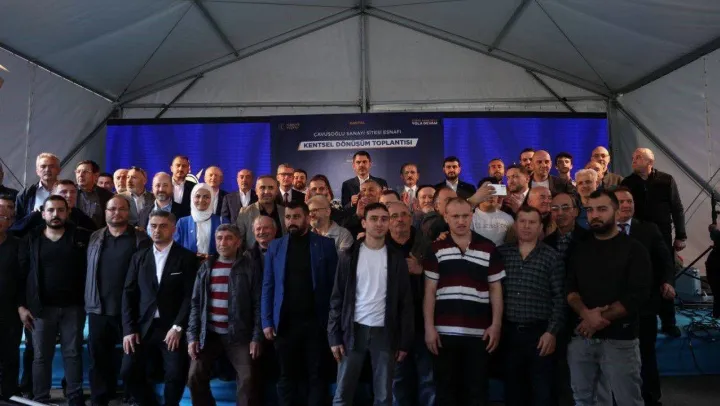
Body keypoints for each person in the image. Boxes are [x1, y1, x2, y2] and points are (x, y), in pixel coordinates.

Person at [565, 190, 652, 406]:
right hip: (582, 338)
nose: (594, 215)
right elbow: (570, 291)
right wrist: (586, 315)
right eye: (590, 210)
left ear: (616, 211)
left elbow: (637, 295)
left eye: (602, 209)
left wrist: (599, 318)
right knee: (583, 399)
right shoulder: (579, 249)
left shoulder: (635, 250)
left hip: (620, 339)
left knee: (627, 400)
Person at [329, 202, 414, 406]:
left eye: (384, 219)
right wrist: (333, 336)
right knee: (342, 394)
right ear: (364, 223)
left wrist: (404, 341)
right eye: (374, 219)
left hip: (384, 332)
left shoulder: (396, 258)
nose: (379, 223)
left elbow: (405, 302)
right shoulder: (348, 255)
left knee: (384, 397)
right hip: (353, 330)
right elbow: (337, 298)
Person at [423, 197, 505, 406]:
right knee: (445, 393)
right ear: (446, 217)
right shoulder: (436, 248)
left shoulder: (488, 248)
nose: (461, 221)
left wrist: (496, 325)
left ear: (472, 216)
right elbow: (430, 291)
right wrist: (429, 328)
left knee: (477, 394)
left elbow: (496, 289)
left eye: (465, 216)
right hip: (443, 334)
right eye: (455, 216)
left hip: (479, 334)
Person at [261, 201, 338, 406]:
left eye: (296, 217)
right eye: (288, 217)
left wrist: (332, 323)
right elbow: (268, 285)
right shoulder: (275, 246)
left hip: (316, 323)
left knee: (316, 375)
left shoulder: (325, 245)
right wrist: (266, 321)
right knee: (286, 375)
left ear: (307, 218)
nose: (291, 221)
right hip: (284, 323)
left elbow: (334, 288)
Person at [17, 195, 90, 406]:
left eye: (60, 210)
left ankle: (75, 397)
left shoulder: (81, 238)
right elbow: (20, 275)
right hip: (40, 309)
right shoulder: (30, 239)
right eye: (51, 210)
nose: (55, 214)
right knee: (41, 357)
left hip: (74, 307)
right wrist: (21, 306)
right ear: (43, 213)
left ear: (68, 212)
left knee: (73, 353)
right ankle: (40, 398)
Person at [121, 210, 197, 406]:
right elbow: (128, 294)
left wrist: (178, 327)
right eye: (153, 226)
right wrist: (129, 329)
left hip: (172, 328)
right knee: (128, 372)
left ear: (173, 229)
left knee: (175, 374)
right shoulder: (139, 257)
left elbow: (190, 297)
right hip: (142, 327)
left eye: (163, 226)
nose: (157, 230)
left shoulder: (187, 258)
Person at [85, 195, 150, 406]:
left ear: (128, 212)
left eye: (121, 209)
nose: (116, 213)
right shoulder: (95, 237)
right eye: (112, 209)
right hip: (99, 308)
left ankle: (132, 397)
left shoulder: (141, 239)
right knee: (98, 359)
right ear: (105, 212)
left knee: (132, 359)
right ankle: (100, 399)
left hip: (130, 310)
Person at [187, 224, 263, 406]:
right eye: (219, 238)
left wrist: (256, 338)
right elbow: (196, 304)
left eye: (228, 238)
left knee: (248, 379)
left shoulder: (250, 268)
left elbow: (258, 305)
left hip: (239, 336)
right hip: (209, 334)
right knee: (194, 376)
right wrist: (192, 337)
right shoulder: (206, 267)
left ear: (238, 242)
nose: (223, 242)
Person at [497, 206, 565, 406]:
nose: (526, 226)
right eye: (522, 221)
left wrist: (551, 332)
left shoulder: (551, 257)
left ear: (540, 227)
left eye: (532, 222)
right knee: (513, 392)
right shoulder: (501, 254)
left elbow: (560, 298)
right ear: (515, 225)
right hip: (509, 334)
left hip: (540, 334)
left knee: (541, 392)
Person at [614, 186, 676, 406]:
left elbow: (665, 260)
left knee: (646, 354)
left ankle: (650, 397)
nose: (626, 205)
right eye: (621, 201)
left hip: (645, 305)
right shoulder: (602, 231)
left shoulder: (648, 229)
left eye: (629, 201)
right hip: (613, 307)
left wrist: (667, 281)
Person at [621, 147, 686, 337]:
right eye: (633, 157)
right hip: (637, 236)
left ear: (650, 162)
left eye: (638, 157)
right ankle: (639, 320)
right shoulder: (627, 183)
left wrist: (681, 235)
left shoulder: (666, 180)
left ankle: (668, 322)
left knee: (665, 275)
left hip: (663, 236)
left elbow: (677, 208)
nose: (633, 160)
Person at [385, 202, 436, 406]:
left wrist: (421, 270)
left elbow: (444, 279)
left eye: (404, 215)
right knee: (397, 382)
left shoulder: (427, 246)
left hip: (424, 323)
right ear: (387, 221)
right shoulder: (379, 247)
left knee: (428, 380)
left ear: (411, 217)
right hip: (393, 326)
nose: (400, 219)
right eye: (394, 216)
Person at [543, 192, 590, 406]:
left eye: (565, 208)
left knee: (582, 376)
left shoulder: (589, 240)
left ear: (576, 211)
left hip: (582, 313)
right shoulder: (546, 242)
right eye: (555, 209)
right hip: (554, 313)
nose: (560, 213)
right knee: (557, 372)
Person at [11, 179, 97, 236]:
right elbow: (14, 232)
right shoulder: (38, 215)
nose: (69, 195)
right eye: (64, 192)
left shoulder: (79, 215)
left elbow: (95, 234)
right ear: (53, 194)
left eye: (73, 192)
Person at [0, 196, 21, 400]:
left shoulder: (17, 245)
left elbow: (23, 278)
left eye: (4, 217)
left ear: (10, 222)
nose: (0, 220)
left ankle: (9, 393)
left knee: (10, 354)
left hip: (10, 309)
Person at [174, 183, 224, 258]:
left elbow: (228, 249)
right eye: (197, 196)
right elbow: (175, 249)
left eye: (206, 197)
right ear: (192, 198)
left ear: (212, 199)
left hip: (214, 264)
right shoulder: (182, 223)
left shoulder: (222, 222)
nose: (201, 200)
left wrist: (210, 258)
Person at [237, 176, 286, 248]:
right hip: (255, 255)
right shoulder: (245, 212)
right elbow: (239, 241)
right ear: (256, 191)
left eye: (271, 188)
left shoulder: (285, 212)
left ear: (276, 191)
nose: (266, 192)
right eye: (262, 188)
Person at [15, 152, 60, 218]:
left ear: (58, 170)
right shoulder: (26, 194)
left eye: (51, 166)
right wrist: (31, 217)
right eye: (43, 166)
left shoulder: (70, 191)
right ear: (37, 171)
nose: (47, 170)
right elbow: (18, 220)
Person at [472, 177, 514, 245]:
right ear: (479, 193)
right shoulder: (470, 217)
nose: (491, 196)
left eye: (494, 192)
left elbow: (510, 245)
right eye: (487, 192)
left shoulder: (508, 219)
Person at [75, 160, 114, 228]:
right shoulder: (69, 192)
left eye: (85, 172)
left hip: (98, 233)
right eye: (78, 172)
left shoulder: (107, 196)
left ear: (96, 175)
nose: (80, 175)